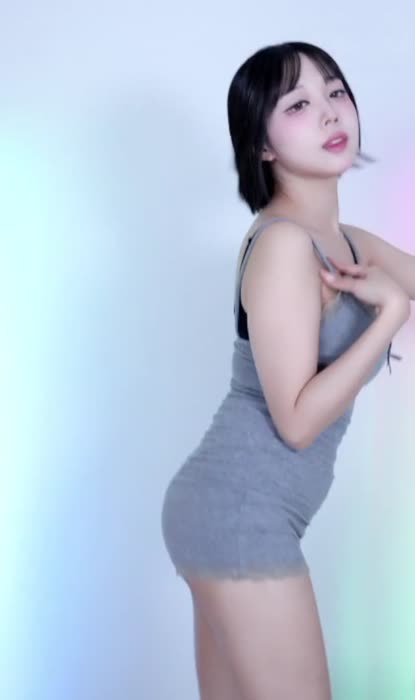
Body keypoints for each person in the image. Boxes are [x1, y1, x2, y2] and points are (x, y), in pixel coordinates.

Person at [160, 41, 412, 700]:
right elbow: (296, 422)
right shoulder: (282, 246)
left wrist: (394, 296)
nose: (329, 111)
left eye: (335, 91)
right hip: (239, 513)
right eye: (297, 104)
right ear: (262, 144)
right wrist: (386, 317)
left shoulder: (347, 244)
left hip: (229, 513)